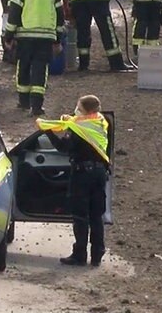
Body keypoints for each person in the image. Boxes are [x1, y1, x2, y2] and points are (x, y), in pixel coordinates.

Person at [37, 94, 111, 267]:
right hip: (100, 173)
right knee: (96, 215)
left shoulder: (78, 128)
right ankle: (97, 254)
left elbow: (64, 147)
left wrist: (48, 131)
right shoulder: (101, 122)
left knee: (80, 216)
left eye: (79, 107)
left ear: (85, 110)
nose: (76, 110)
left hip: (82, 174)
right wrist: (71, 121)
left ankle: (79, 255)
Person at [2, 0, 64, 114]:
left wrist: (8, 36)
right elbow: (59, 13)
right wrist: (58, 39)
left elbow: (14, 12)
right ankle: (37, 106)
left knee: (23, 66)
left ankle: (23, 102)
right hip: (46, 37)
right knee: (40, 69)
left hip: (25, 35)